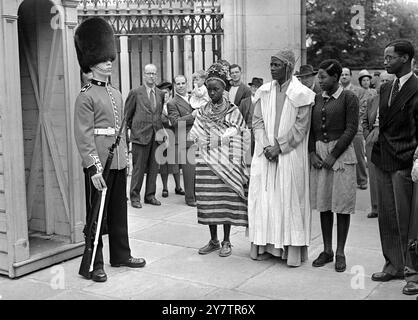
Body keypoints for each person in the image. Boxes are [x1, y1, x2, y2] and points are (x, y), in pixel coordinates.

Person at [73, 17, 146, 283]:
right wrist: (93, 166)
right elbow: (83, 135)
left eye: (109, 59)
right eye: (104, 60)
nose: (109, 62)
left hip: (117, 161)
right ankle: (95, 263)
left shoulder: (115, 93)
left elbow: (120, 130)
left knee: (118, 211)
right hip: (100, 163)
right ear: (92, 64)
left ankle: (121, 254)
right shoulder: (86, 95)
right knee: (97, 215)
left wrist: (125, 160)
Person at [248, 50, 315, 267]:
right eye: (271, 64)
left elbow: (301, 127)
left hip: (290, 156)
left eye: (276, 65)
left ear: (288, 66)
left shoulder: (302, 93)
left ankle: (291, 251)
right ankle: (266, 246)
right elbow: (256, 121)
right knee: (265, 200)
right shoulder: (264, 91)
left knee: (289, 201)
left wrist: (279, 147)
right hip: (265, 154)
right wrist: (267, 146)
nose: (272, 68)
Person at [371, 39, 418, 296]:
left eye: (390, 57)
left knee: (409, 222)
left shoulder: (416, 86)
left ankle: (413, 273)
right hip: (383, 160)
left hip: (405, 162)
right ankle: (393, 265)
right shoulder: (385, 87)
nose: (385, 61)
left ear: (405, 58)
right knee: (387, 217)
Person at [189, 63, 249, 257]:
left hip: (226, 163)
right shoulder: (201, 111)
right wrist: (210, 140)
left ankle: (227, 240)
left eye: (216, 89)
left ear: (224, 89)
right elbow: (195, 134)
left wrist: (221, 138)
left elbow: (239, 131)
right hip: (206, 162)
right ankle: (213, 240)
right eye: (210, 89)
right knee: (208, 200)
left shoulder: (233, 111)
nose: (212, 93)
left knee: (225, 201)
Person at [310, 59, 359, 273]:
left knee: (341, 205)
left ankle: (340, 251)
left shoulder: (349, 97)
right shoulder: (315, 99)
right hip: (320, 154)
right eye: (318, 76)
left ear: (336, 78)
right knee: (324, 203)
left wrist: (334, 154)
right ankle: (327, 250)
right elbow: (309, 129)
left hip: (341, 154)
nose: (319, 80)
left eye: (323, 76)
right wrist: (312, 152)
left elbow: (351, 128)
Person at [125, 64, 165, 209]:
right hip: (140, 137)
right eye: (149, 73)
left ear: (157, 75)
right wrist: (133, 132)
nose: (151, 76)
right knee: (138, 169)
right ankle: (135, 197)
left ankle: (150, 195)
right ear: (144, 75)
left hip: (156, 137)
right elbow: (127, 117)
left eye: (154, 73)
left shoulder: (160, 93)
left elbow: (159, 114)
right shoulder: (136, 92)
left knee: (154, 169)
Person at [361, 71, 394, 219]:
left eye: (388, 80)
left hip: (388, 137)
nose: (385, 83)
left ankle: (389, 208)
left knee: (387, 174)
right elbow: (365, 120)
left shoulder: (395, 99)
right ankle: (375, 207)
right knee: (373, 174)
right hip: (372, 137)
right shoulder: (372, 100)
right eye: (383, 81)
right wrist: (368, 135)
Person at [167, 75, 197, 207]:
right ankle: (190, 198)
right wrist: (192, 116)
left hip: (198, 137)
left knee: (198, 170)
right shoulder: (172, 103)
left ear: (187, 84)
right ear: (174, 86)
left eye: (183, 83)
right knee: (189, 171)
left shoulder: (194, 98)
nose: (181, 86)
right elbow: (175, 122)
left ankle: (198, 195)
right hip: (185, 139)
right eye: (178, 84)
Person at [340, 67, 368, 190]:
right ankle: (346, 182)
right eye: (342, 74)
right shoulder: (337, 91)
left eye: (346, 74)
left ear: (351, 76)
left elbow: (363, 108)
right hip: (340, 129)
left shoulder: (359, 91)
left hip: (356, 128)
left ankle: (362, 180)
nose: (344, 76)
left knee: (359, 155)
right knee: (342, 156)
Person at [157, 81, 184, 198]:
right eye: (163, 93)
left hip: (174, 136)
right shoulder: (157, 107)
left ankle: (178, 187)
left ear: (170, 93)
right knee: (164, 164)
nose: (165, 96)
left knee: (175, 163)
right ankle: (165, 188)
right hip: (162, 138)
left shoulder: (173, 105)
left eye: (167, 93)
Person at [238, 77, 263, 157]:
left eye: (257, 87)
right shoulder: (244, 102)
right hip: (247, 132)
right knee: (247, 157)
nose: (254, 88)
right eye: (253, 86)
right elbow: (239, 118)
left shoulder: (264, 102)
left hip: (260, 132)